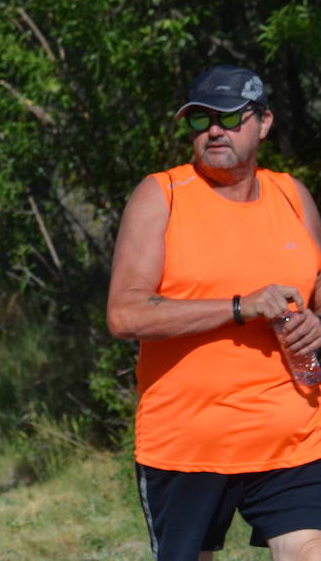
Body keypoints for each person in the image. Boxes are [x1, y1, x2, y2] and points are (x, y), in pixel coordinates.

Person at [107, 65, 321, 561]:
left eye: (228, 117)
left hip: (291, 435)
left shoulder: (293, 196)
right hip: (188, 445)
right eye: (200, 120)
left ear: (263, 122)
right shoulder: (162, 196)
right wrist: (239, 307)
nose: (214, 131)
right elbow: (124, 314)